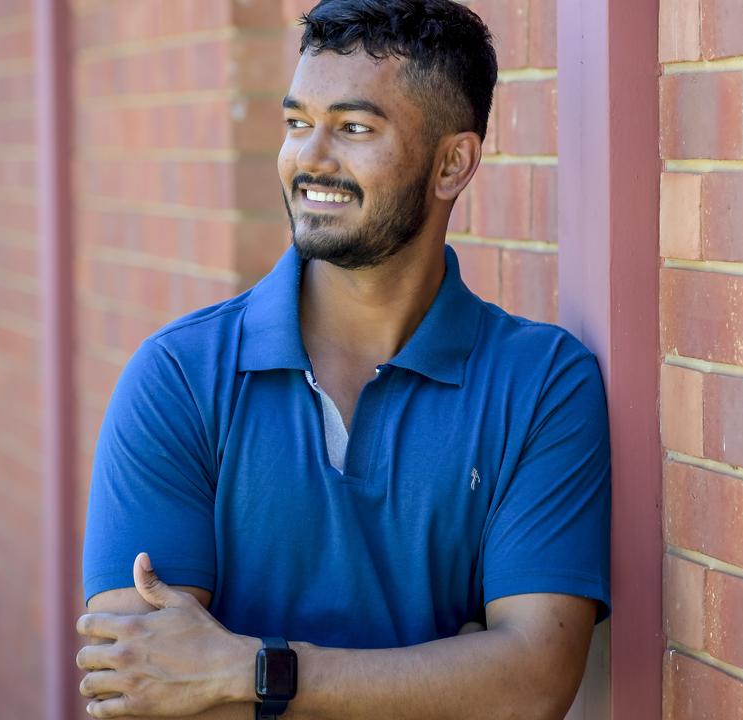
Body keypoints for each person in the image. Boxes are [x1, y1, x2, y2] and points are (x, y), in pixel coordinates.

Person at [75, 1, 610, 717]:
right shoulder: (179, 378)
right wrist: (444, 677)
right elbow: (139, 690)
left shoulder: (542, 384)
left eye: (354, 128)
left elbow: (534, 683)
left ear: (453, 163)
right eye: (299, 123)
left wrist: (249, 670)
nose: (310, 158)